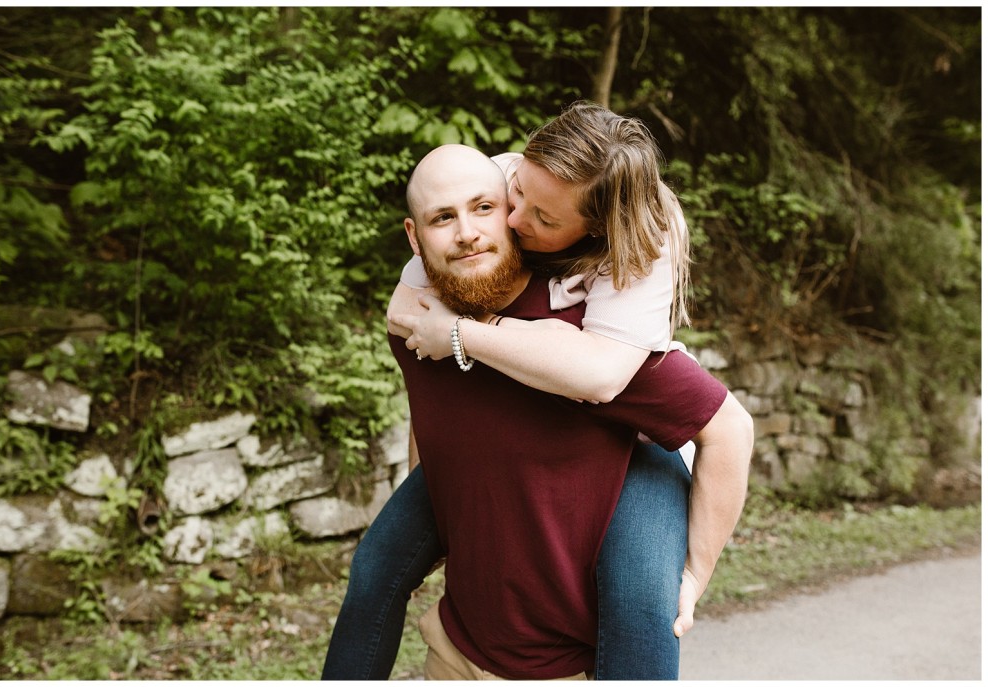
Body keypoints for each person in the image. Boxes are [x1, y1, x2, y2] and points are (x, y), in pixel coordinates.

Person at [322, 142, 752, 679]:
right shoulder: (419, 320)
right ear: (414, 236)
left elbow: (728, 425)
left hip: (582, 630)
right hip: (460, 654)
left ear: (510, 216)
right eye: (442, 218)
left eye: (484, 209)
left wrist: (694, 574)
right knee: (373, 569)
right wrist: (447, 516)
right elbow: (436, 417)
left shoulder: (587, 337)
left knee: (642, 597)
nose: (467, 232)